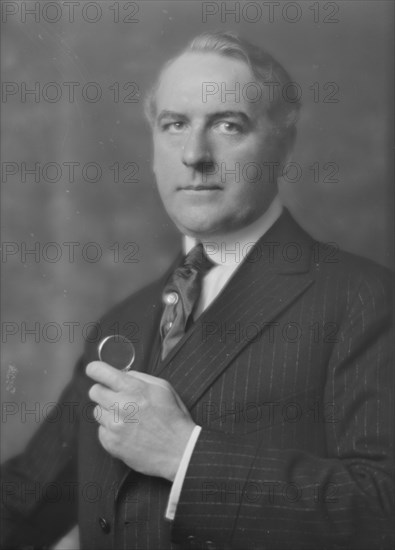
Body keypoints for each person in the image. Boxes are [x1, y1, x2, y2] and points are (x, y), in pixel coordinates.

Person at [1, 31, 393, 550]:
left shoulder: (362, 298)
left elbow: (382, 508)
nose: (194, 154)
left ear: (282, 143)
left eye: (228, 125)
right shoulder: (122, 321)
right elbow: (25, 502)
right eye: (175, 125)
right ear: (154, 148)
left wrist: (184, 454)